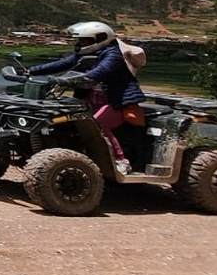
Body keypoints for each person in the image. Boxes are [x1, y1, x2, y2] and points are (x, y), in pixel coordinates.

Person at [25, 21, 146, 174]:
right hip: (90, 100)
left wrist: (81, 78)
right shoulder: (84, 53)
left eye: (85, 40)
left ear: (100, 38)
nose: (81, 43)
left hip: (117, 102)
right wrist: (31, 71)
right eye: (80, 40)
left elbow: (102, 70)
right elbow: (62, 64)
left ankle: (121, 160)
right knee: (64, 118)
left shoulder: (113, 54)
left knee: (96, 124)